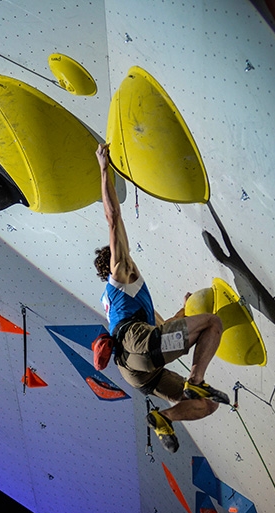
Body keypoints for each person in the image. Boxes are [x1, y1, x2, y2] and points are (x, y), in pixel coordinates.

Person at [95, 143, 228, 453]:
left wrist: (184, 310)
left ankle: (164, 416)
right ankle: (196, 378)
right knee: (212, 323)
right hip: (137, 348)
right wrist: (104, 166)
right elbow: (112, 218)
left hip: (138, 370)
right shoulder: (122, 270)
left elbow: (161, 337)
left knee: (206, 404)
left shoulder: (122, 303)